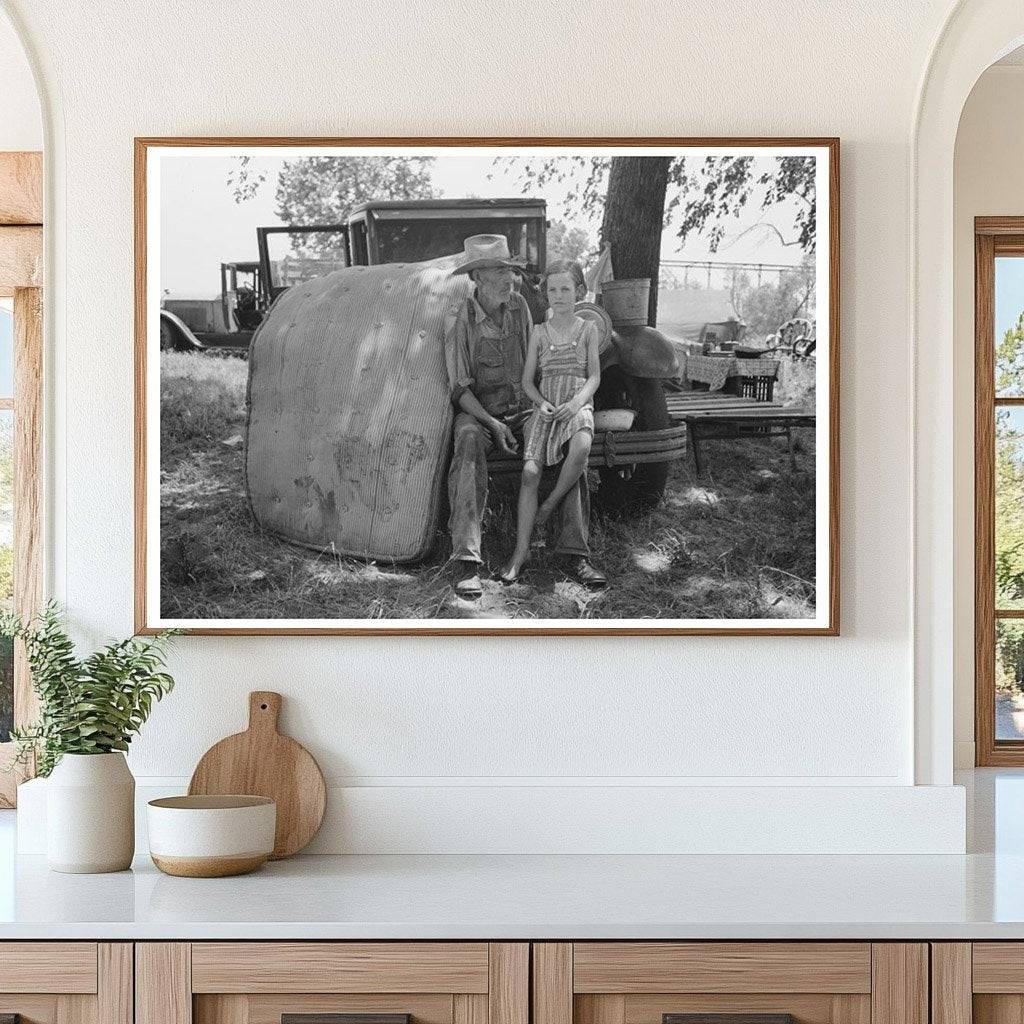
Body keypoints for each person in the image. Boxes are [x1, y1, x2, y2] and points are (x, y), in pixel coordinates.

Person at [444, 236, 606, 599]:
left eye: (511, 272)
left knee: (567, 438)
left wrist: (557, 404)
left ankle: (575, 553)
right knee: (467, 441)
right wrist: (493, 424)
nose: (510, 280)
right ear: (479, 278)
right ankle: (467, 562)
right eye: (500, 272)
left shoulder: (519, 307)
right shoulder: (460, 319)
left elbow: (537, 369)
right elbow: (459, 390)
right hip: (481, 416)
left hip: (526, 410)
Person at [500, 262, 601, 583]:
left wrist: (575, 404)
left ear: (579, 292)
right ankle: (520, 551)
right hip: (546, 407)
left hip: (575, 405)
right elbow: (528, 381)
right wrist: (541, 403)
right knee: (530, 472)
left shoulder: (588, 329)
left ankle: (551, 503)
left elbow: (594, 376)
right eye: (553, 290)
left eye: (566, 289)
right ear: (545, 294)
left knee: (582, 445)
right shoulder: (540, 333)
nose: (559, 296)